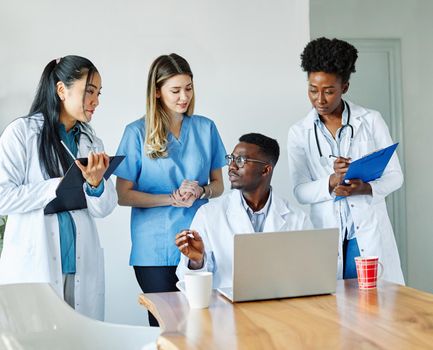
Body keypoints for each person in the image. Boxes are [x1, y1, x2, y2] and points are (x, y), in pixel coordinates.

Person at [0, 56, 117, 320]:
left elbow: (104, 208)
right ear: (61, 89)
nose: (96, 101)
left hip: (80, 262)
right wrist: (57, 187)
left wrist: (96, 185)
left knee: (80, 341)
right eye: (89, 91)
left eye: (98, 93)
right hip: (35, 262)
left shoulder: (90, 140)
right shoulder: (21, 133)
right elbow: (2, 197)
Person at [114, 53, 226, 325]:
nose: (183, 97)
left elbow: (219, 185)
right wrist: (170, 199)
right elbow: (123, 194)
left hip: (199, 243)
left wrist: (200, 191)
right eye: (175, 90)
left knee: (203, 324)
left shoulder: (205, 128)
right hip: (153, 249)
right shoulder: (136, 133)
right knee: (166, 328)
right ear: (156, 92)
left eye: (188, 88)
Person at [287, 37, 404, 284]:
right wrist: (331, 181)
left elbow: (395, 176)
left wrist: (366, 188)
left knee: (374, 309)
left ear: (345, 87)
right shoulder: (299, 132)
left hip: (366, 235)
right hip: (328, 235)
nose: (319, 99)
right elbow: (300, 191)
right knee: (335, 313)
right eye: (312, 89)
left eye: (329, 91)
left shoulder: (371, 121)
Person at [175, 133, 311, 288]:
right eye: (231, 159)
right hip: (227, 308)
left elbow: (308, 275)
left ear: (266, 170)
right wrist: (196, 261)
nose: (231, 167)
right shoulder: (208, 214)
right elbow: (190, 284)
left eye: (240, 160)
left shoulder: (298, 219)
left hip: (280, 307)